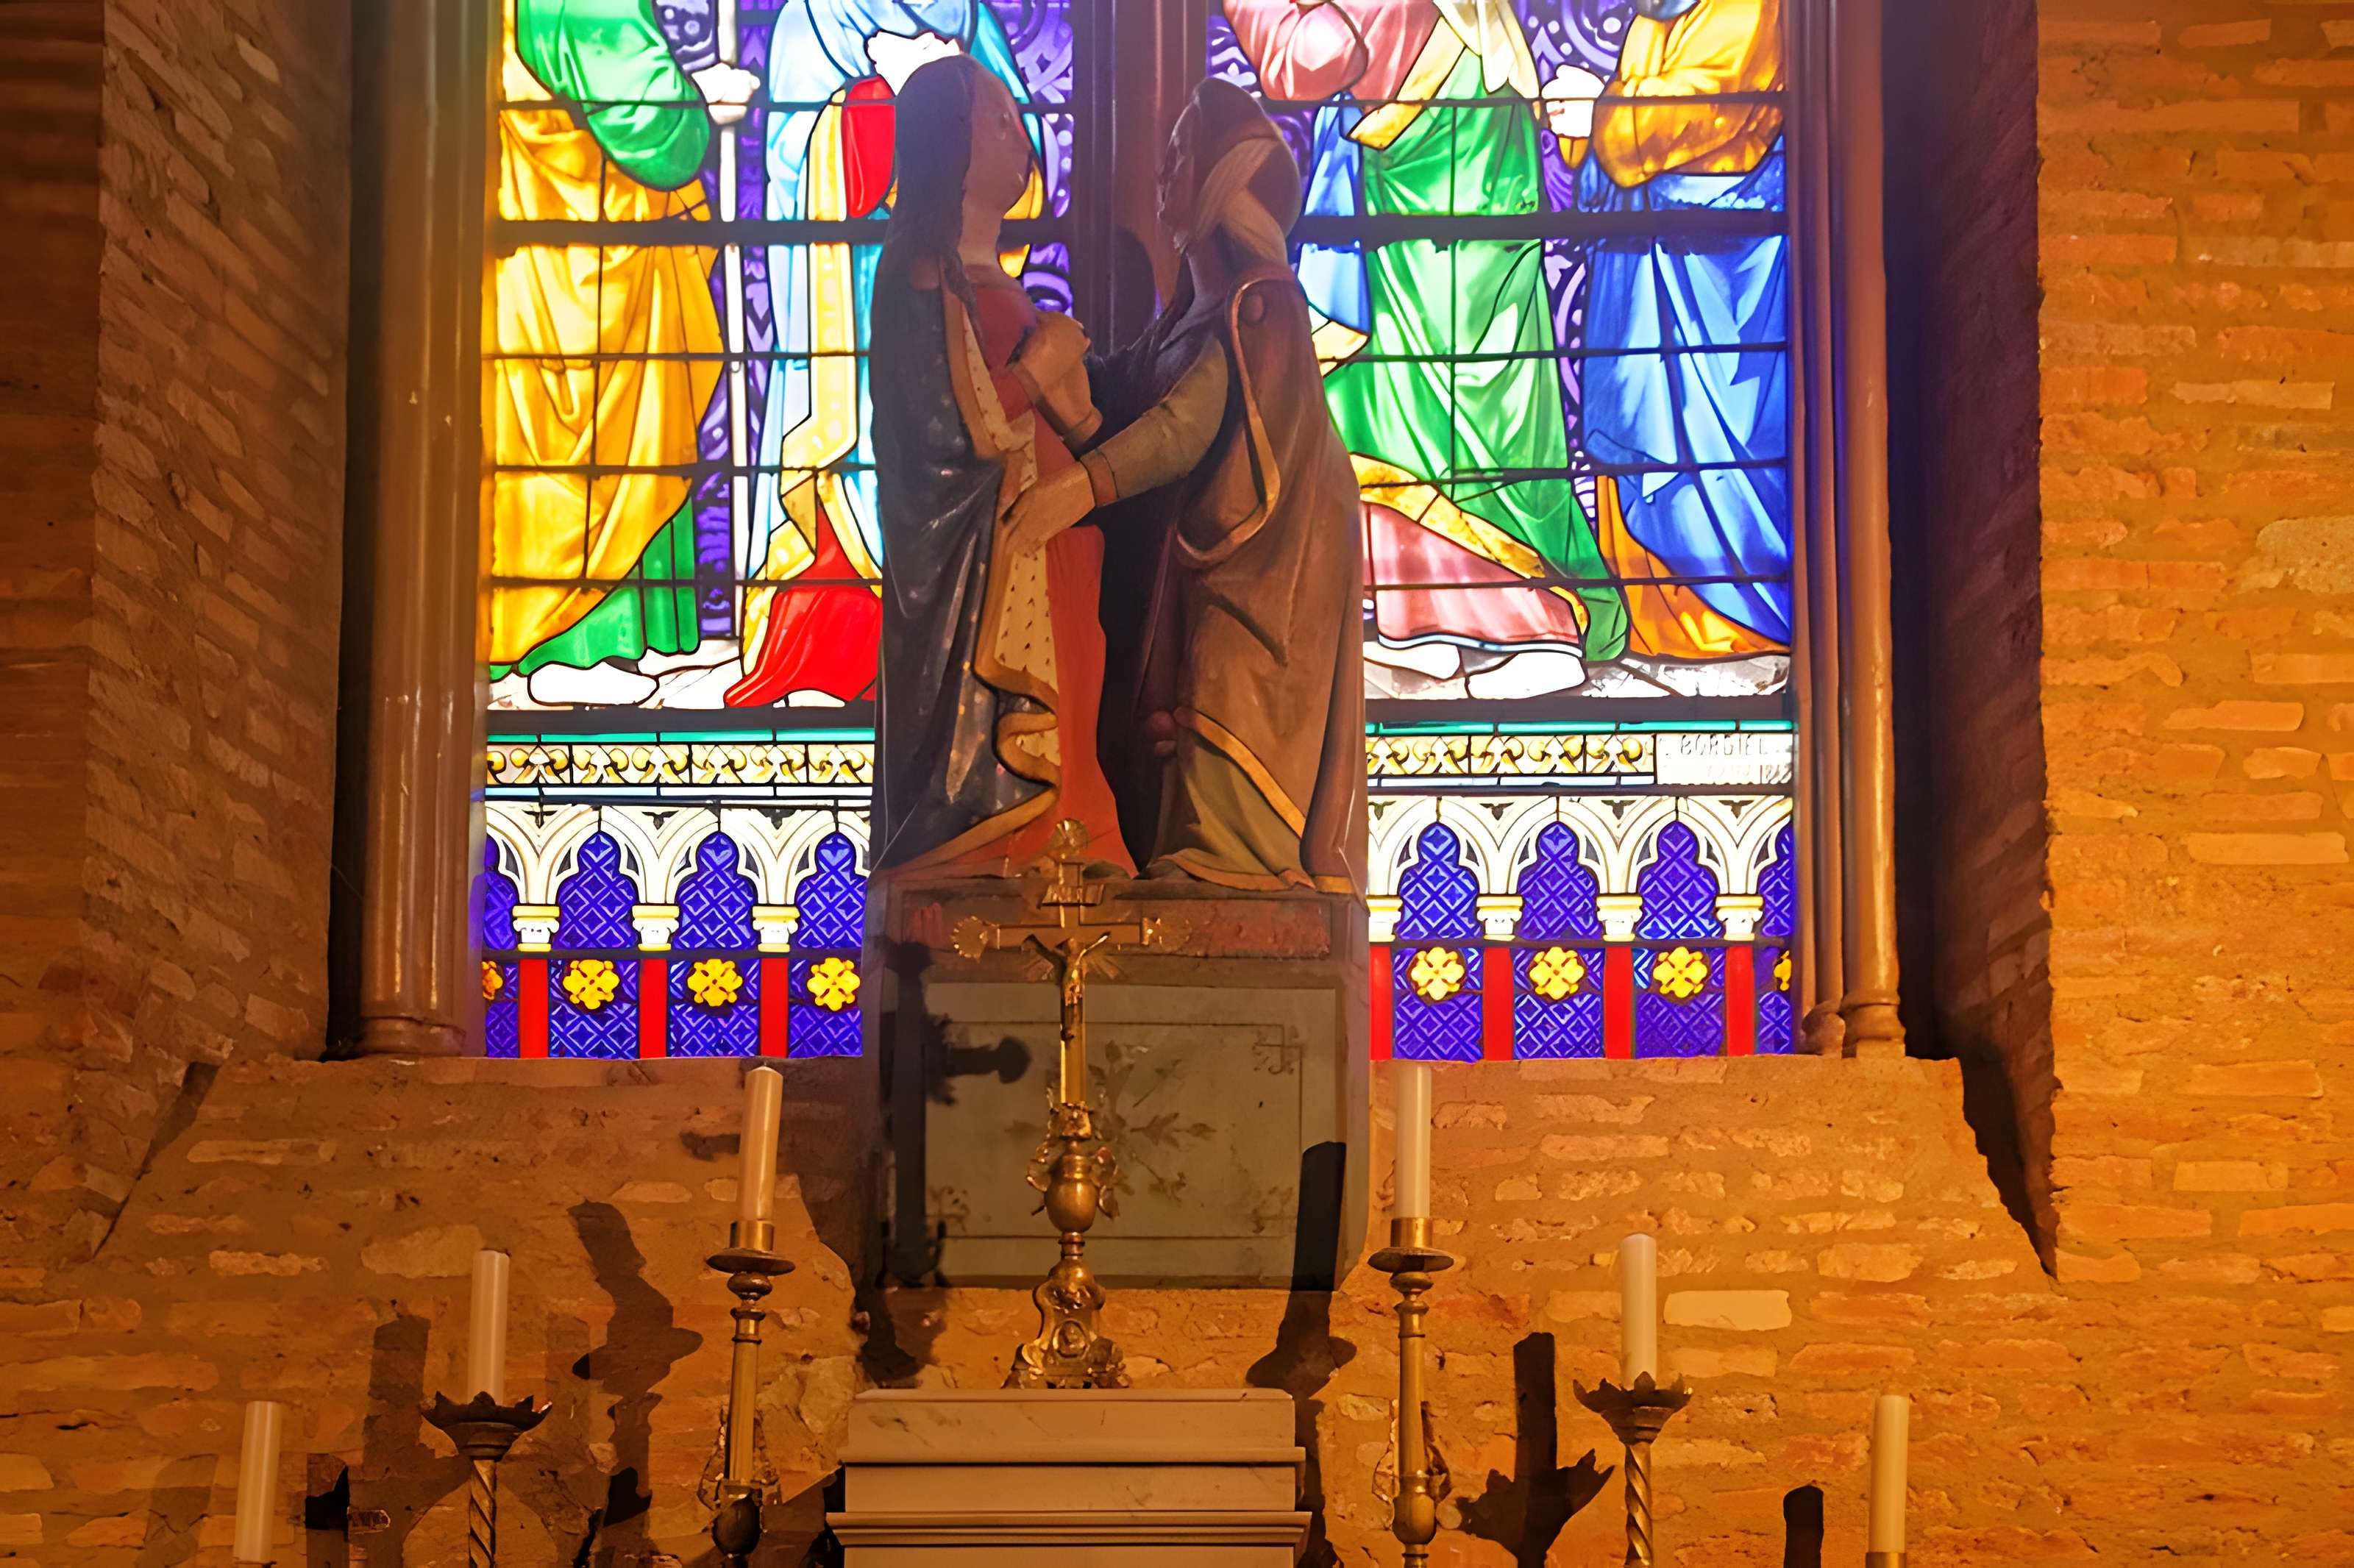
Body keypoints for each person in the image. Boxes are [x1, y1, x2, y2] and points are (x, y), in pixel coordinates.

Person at [1005, 79, 1364, 895]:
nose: (1165, 175)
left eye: (1181, 157)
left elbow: (1183, 427)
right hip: (1194, 573)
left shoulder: (1260, 306)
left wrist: (1078, 490)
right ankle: (1192, 859)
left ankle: (1230, 862)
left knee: (1224, 690)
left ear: (1222, 183)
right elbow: (1127, 407)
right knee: (1171, 721)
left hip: (1262, 577)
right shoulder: (1184, 319)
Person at [1219, 0, 1629, 699]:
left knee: (1465, 418)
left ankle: (1541, 627)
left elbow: (1304, 62)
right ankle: (1424, 627)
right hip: (1420, 164)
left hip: (1452, 178)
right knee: (1375, 408)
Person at [725, 3, 1055, 709]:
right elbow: (792, 165)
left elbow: (1018, 161)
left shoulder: (969, 17)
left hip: (989, 518)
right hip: (843, 310)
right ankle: (831, 647)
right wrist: (888, 104)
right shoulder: (812, 20)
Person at [867, 56, 1129, 875]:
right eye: (1001, 121)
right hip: (977, 570)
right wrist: (1040, 367)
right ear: (950, 141)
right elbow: (946, 434)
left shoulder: (994, 285)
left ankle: (1070, 843)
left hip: (1049, 547)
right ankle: (996, 851)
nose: (1022, 139)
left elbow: (1064, 420)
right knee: (1004, 751)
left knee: (1074, 705)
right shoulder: (919, 273)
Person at [487, 0, 758, 708]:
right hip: (587, 273)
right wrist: (700, 105)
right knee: (605, 458)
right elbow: (652, 132)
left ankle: (626, 641)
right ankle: (574, 649)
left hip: (532, 266)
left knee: (598, 453)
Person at [1550, 0, 1793, 663]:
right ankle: (1655, 626)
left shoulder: (1749, 7)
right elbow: (1621, 149)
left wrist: (1602, 114)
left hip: (1720, 269)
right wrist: (1587, 124)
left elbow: (1714, 103)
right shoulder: (1654, 16)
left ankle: (1738, 632)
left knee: (1712, 457)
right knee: (1643, 436)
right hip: (1642, 261)